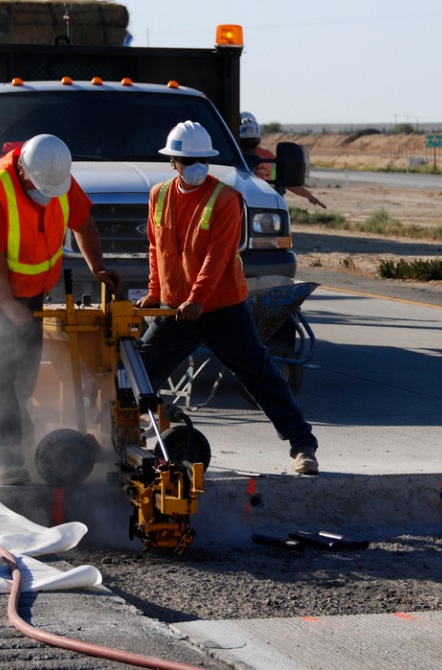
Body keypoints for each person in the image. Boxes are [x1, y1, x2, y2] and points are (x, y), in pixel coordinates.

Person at [135, 120, 320, 475]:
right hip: (177, 309)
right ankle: (117, 437)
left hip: (221, 308)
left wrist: (198, 298)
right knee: (137, 375)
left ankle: (303, 446)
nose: (196, 167)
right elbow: (156, 248)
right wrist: (156, 292)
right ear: (173, 162)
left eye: (202, 159)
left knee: (260, 375)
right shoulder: (158, 194)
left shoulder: (225, 198)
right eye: (188, 161)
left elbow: (217, 257)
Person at [0, 134, 116, 486]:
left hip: (29, 298)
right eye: (42, 188)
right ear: (25, 171)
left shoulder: (57, 177)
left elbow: (83, 224)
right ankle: (3, 459)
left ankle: (21, 446)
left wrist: (98, 269)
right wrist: (8, 304)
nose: (48, 195)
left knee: (22, 379)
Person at [239, 111, 326, 209]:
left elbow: (287, 182)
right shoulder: (269, 159)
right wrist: (309, 196)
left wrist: (309, 196)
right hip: (265, 209)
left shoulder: (227, 159)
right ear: (258, 138)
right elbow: (288, 182)